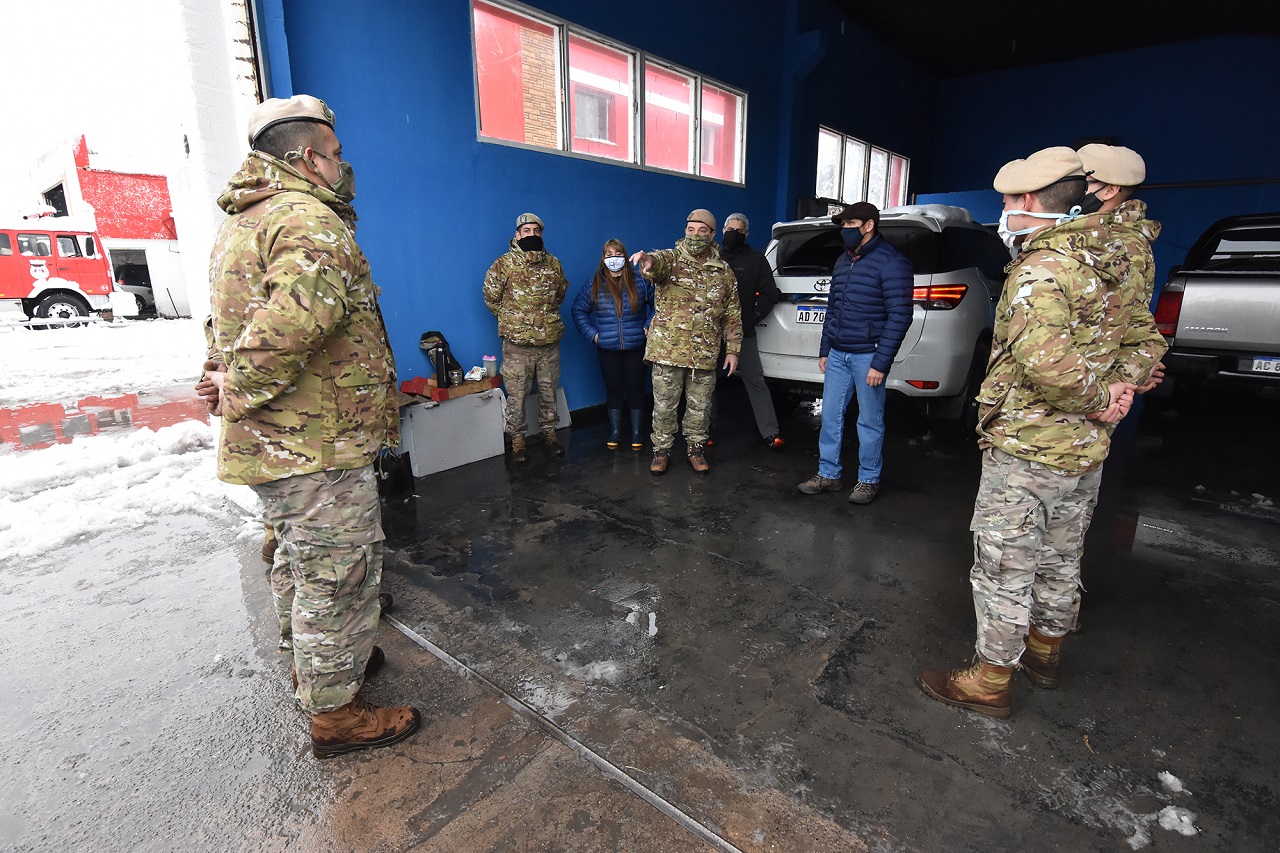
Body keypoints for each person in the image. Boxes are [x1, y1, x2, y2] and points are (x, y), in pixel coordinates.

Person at [196, 94, 420, 758]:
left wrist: (223, 377)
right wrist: (236, 386)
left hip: (278, 445)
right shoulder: (307, 220)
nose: (343, 164)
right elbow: (288, 326)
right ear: (306, 157)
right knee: (340, 577)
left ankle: (316, 667)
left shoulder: (243, 221)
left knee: (299, 561)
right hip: (314, 443)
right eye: (336, 153)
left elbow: (225, 323)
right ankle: (336, 714)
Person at [917, 147, 1166, 718]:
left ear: (1028, 200)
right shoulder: (1114, 254)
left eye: (1008, 201)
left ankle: (989, 680)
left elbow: (1047, 365)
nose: (1004, 210)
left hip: (1030, 445)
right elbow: (1145, 338)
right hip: (1085, 448)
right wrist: (1120, 389)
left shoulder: (1042, 268)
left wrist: (1102, 398)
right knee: (1061, 553)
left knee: (1006, 563)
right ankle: (1045, 654)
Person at [796, 202, 913, 505]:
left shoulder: (892, 262)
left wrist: (880, 363)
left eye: (850, 225)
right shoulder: (843, 260)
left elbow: (900, 315)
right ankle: (828, 474)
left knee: (870, 421)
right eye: (843, 225)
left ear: (869, 225)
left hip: (868, 356)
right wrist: (825, 349)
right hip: (838, 354)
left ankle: (868, 479)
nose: (845, 230)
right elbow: (833, 308)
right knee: (830, 417)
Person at [629, 209, 743, 475]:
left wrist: (733, 350)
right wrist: (648, 261)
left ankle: (695, 449)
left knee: (700, 407)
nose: (695, 235)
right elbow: (657, 264)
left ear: (712, 235)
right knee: (664, 407)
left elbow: (732, 314)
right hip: (668, 351)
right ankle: (661, 451)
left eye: (702, 231)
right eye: (690, 230)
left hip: (704, 352)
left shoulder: (724, 272)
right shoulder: (671, 259)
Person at [483, 213, 570, 463]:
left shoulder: (553, 264)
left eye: (536, 231)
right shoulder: (503, 264)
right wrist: (515, 320)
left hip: (548, 343)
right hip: (517, 345)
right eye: (527, 231)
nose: (532, 235)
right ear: (517, 235)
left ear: (541, 234)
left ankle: (549, 433)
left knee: (548, 392)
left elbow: (560, 295)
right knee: (517, 395)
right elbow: (491, 298)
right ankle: (518, 439)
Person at [571, 239, 654, 450]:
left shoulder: (640, 281)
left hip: (636, 346)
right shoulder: (594, 284)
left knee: (636, 390)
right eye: (609, 255)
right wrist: (594, 335)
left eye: (617, 254)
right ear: (603, 258)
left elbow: (659, 306)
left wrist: (648, 326)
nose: (613, 259)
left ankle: (637, 432)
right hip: (607, 348)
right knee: (614, 390)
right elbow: (578, 310)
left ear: (625, 257)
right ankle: (615, 431)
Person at [716, 213, 784, 448]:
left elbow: (769, 293)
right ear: (722, 230)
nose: (733, 234)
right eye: (730, 229)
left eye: (739, 231)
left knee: (756, 381)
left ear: (746, 234)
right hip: (711, 334)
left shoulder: (756, 260)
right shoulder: (713, 258)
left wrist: (754, 316)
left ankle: (770, 432)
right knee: (705, 384)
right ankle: (704, 433)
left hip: (743, 333)